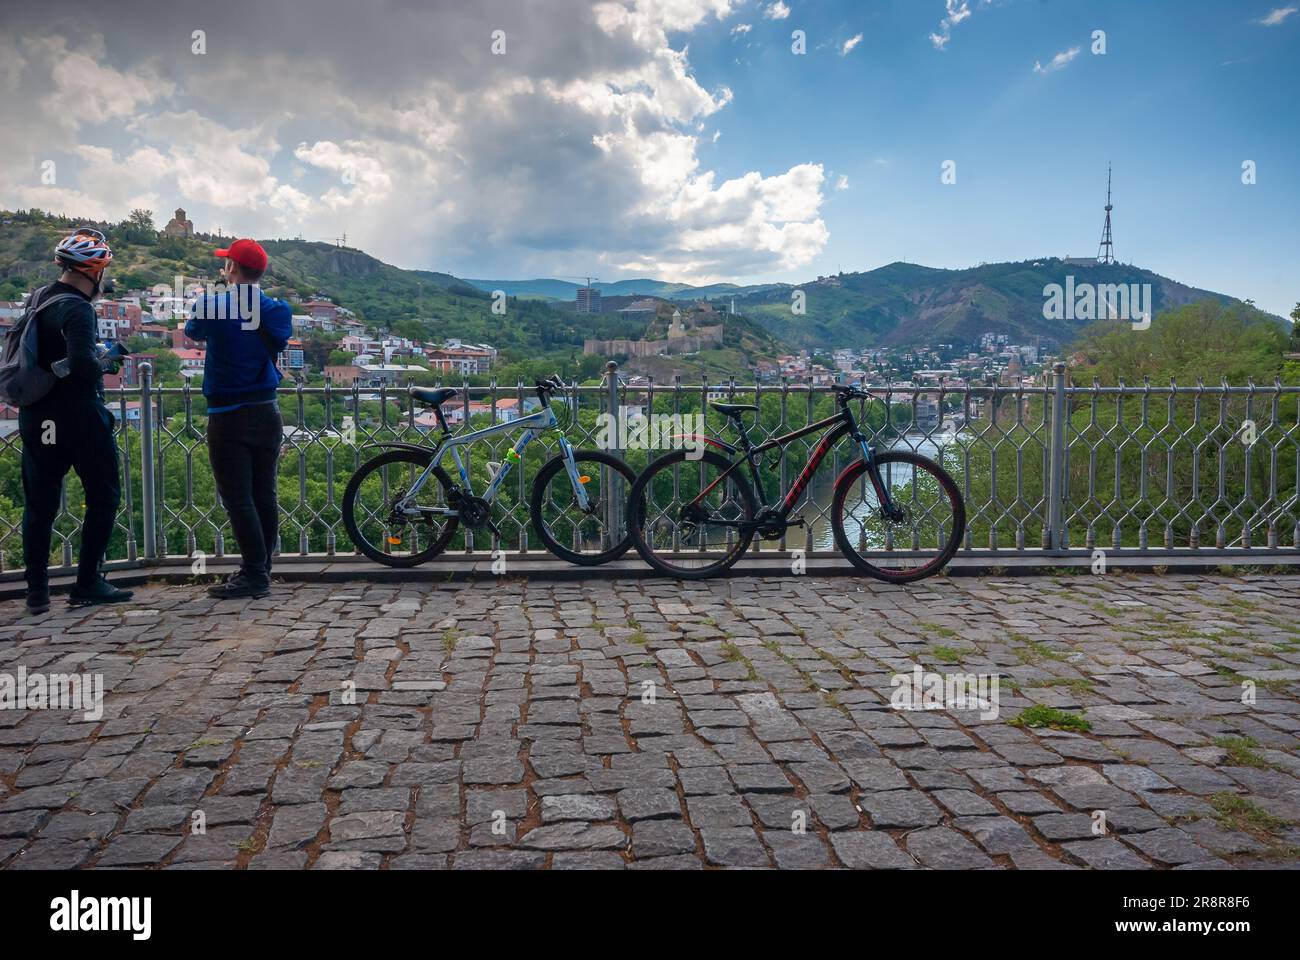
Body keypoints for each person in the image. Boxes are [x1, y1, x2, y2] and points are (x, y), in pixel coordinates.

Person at [20, 228, 133, 613]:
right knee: (103, 495)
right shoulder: (78, 308)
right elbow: (84, 364)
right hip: (79, 416)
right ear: (94, 271)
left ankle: (37, 591)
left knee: (40, 502)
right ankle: (88, 582)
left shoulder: (39, 299)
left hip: (37, 415)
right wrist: (105, 361)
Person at [186, 239, 292, 599]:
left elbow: (193, 332)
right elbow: (277, 339)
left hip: (227, 413)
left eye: (226, 263)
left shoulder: (210, 306)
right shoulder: (278, 311)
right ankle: (261, 568)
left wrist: (218, 294)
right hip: (267, 410)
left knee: (238, 497)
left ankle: (253, 574)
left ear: (231, 268)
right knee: (265, 492)